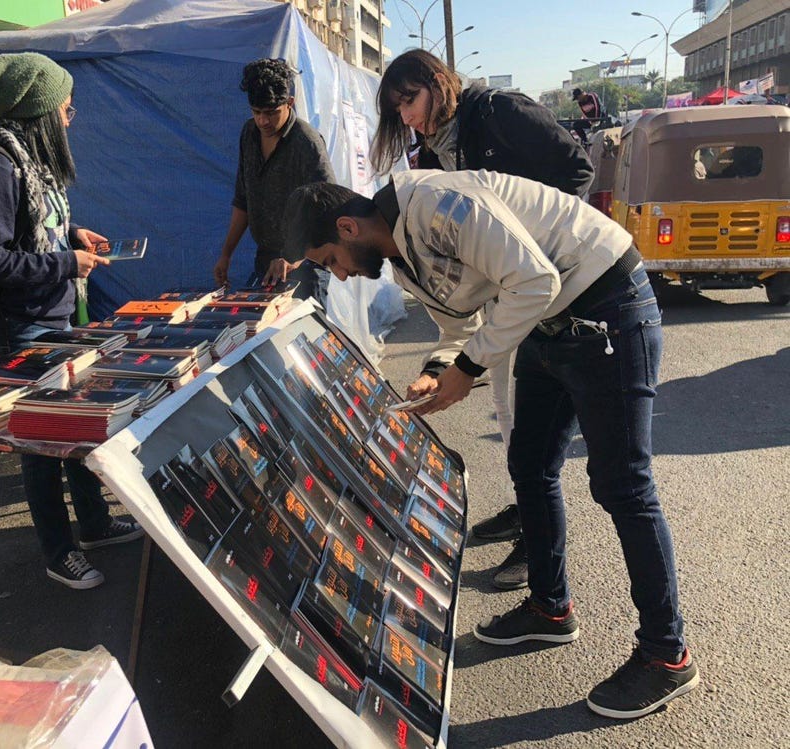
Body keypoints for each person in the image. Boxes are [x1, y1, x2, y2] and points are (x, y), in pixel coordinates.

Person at [281, 172, 698, 719]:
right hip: (548, 323)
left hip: (606, 307)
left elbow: (533, 279)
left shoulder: (435, 205)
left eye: (331, 258)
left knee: (624, 487)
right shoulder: (401, 256)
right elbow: (462, 324)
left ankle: (667, 656)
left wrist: (470, 368)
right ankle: (551, 610)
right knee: (529, 465)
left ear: (346, 226)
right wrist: (437, 370)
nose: (338, 273)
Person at [371, 49, 595, 590]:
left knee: (536, 430)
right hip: (505, 291)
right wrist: (447, 355)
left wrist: (531, 247)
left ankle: (537, 547)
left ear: (437, 82)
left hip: (551, 284)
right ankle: (527, 513)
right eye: (397, 110)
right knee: (508, 411)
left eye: (410, 100)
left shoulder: (498, 112)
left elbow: (578, 170)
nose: (407, 118)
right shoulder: (429, 157)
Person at [0, 52, 144, 590]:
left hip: (55, 318)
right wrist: (68, 263)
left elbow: (32, 229)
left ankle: (92, 525)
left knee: (73, 429)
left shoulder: (31, 161)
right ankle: (57, 550)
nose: (71, 117)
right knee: (39, 445)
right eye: (65, 109)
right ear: (40, 112)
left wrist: (73, 237)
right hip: (20, 327)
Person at [213, 58, 336, 299]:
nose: (263, 121)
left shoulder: (307, 142)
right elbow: (242, 199)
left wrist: (293, 258)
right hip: (265, 259)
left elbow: (329, 211)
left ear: (290, 103)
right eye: (256, 112)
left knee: (302, 335)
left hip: (307, 264)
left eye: (271, 113)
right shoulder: (249, 134)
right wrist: (226, 254)